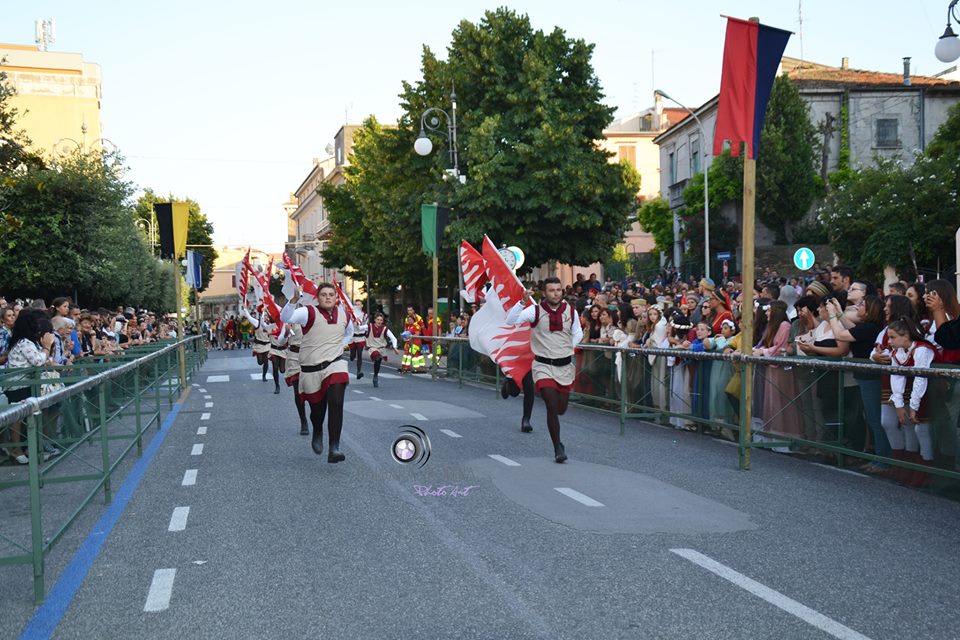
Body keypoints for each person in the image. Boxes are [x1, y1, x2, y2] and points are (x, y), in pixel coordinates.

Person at [506, 277, 583, 463]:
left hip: (565, 366)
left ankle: (558, 443)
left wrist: (569, 346)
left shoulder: (571, 312)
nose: (555, 293)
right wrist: (522, 301)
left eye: (558, 290)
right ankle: (557, 448)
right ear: (544, 292)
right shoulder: (534, 311)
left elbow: (578, 332)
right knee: (550, 404)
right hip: (542, 365)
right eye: (551, 290)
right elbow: (510, 321)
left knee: (560, 409)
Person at [280, 283, 353, 463]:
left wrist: (338, 345)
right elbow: (286, 316)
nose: (328, 297)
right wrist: (294, 300)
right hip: (311, 369)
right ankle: (317, 430)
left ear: (337, 298)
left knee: (336, 401)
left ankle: (334, 447)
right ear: (317, 298)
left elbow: (350, 332)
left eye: (331, 294)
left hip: (335, 364)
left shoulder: (345, 314)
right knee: (317, 412)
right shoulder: (308, 312)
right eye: (323, 295)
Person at [366, 312, 400, 388]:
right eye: (378, 320)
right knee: (377, 357)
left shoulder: (385, 329)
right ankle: (375, 377)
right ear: (375, 320)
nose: (379, 321)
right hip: (372, 348)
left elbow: (393, 338)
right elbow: (359, 328)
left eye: (381, 320)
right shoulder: (369, 326)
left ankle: (375, 375)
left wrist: (395, 347)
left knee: (378, 361)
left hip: (381, 349)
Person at [399, 305, 426, 373]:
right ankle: (407, 367)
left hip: (417, 340)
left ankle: (418, 368)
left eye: (411, 310)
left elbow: (422, 329)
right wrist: (404, 336)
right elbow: (406, 328)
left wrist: (425, 339)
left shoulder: (419, 318)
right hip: (410, 340)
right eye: (408, 310)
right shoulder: (407, 319)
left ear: (414, 310)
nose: (409, 312)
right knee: (411, 354)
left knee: (415, 355)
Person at [348, 299, 369, 380]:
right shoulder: (351, 315)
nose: (357, 306)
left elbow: (366, 325)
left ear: (362, 305)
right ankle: (352, 355)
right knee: (353, 354)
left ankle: (358, 371)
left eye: (359, 304)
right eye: (356, 304)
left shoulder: (365, 315)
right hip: (353, 337)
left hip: (360, 337)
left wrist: (360, 324)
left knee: (359, 354)